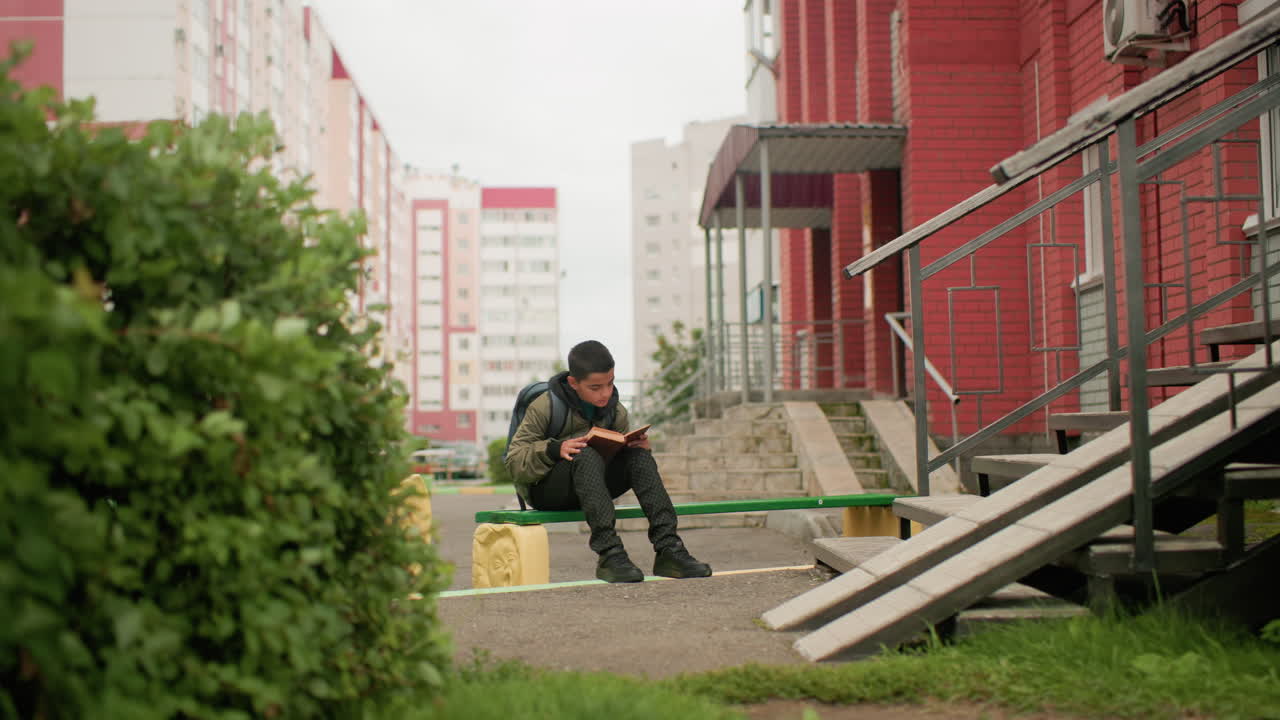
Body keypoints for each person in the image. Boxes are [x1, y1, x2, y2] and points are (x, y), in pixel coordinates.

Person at [504, 340, 712, 583]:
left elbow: (619, 456)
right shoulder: (546, 406)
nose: (605, 393)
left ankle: (670, 551)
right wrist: (554, 449)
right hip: (547, 491)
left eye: (610, 383)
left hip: (592, 484)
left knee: (638, 456)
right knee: (586, 452)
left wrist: (634, 447)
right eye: (595, 387)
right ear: (574, 383)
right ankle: (610, 555)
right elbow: (514, 462)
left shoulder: (616, 411)